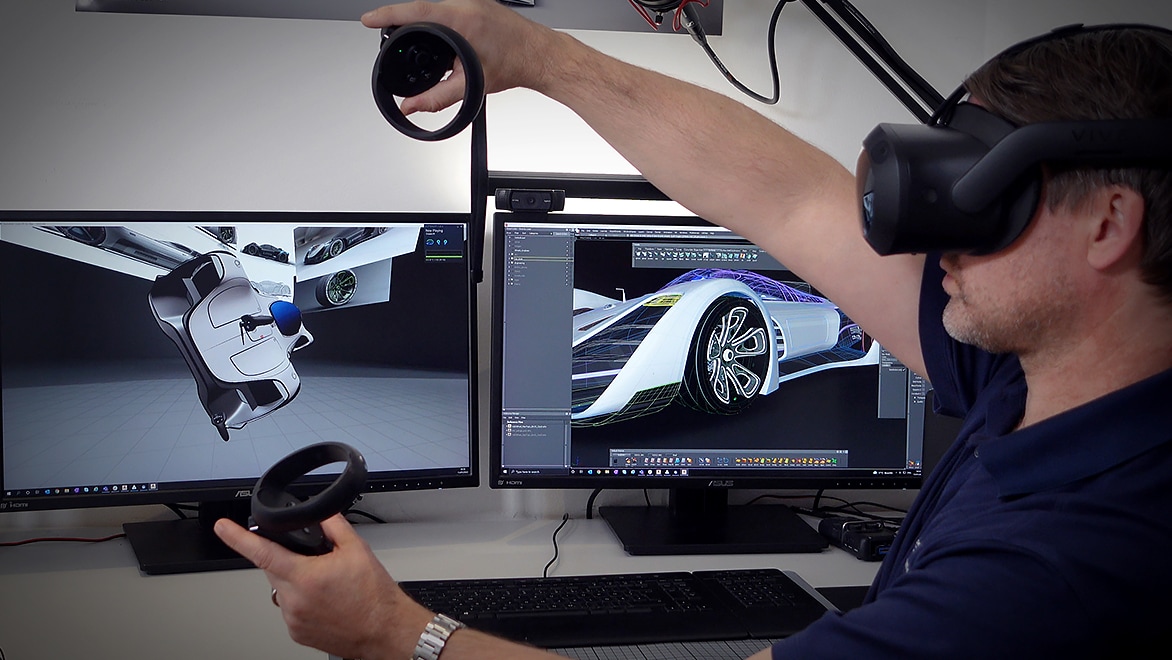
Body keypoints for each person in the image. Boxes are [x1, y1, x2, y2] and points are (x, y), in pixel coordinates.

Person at [214, 1, 1172, 657]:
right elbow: (791, 202)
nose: (930, 236)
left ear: (1107, 226)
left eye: (980, 200)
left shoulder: (1071, 559)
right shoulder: (1037, 382)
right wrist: (536, 55)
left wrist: (391, 630)